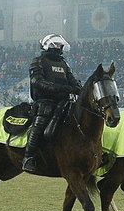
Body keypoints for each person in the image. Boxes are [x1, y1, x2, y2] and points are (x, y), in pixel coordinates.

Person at [22, 33, 81, 174]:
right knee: (40, 122)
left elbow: (74, 81)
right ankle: (28, 157)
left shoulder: (64, 63)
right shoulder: (38, 61)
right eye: (59, 46)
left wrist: (77, 88)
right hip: (45, 101)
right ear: (50, 46)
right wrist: (60, 88)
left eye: (61, 46)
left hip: (64, 101)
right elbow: (37, 81)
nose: (60, 48)